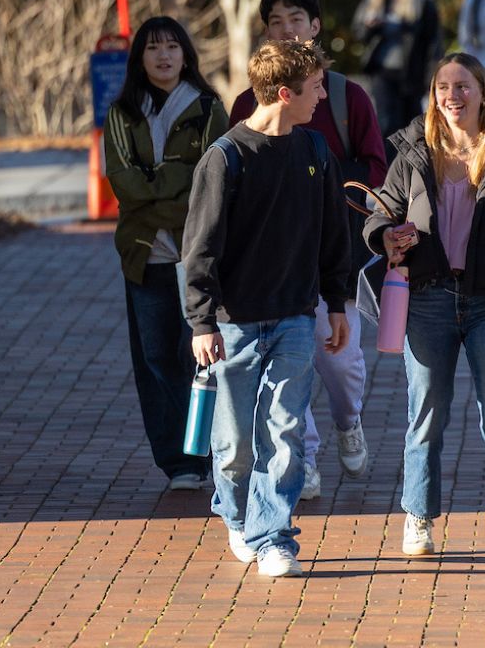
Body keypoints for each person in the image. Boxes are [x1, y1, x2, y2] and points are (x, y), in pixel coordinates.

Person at [363, 53, 485, 572]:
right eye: (443, 86)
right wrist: (386, 235)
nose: (452, 95)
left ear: (482, 93)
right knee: (426, 416)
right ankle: (418, 518)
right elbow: (382, 211)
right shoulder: (412, 152)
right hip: (428, 299)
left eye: (463, 86)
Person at [181, 39, 350, 577]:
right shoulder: (225, 158)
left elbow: (332, 234)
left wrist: (337, 303)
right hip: (233, 324)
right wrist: (201, 320)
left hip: (297, 316)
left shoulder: (315, 151)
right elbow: (200, 248)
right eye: (316, 87)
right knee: (232, 445)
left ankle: (274, 533)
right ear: (284, 93)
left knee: (284, 432)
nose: (323, 96)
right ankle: (235, 516)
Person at [228, 0, 388, 501]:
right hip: (274, 265)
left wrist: (320, 181)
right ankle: (305, 459)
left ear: (315, 26)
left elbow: (376, 169)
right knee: (289, 370)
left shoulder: (344, 96)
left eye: (295, 18)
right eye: (275, 22)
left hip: (332, 251)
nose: (287, 29)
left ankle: (348, 422)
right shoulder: (244, 106)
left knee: (340, 363)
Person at [104, 16, 228, 492]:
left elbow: (212, 180)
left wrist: (157, 183)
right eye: (153, 48)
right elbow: (125, 184)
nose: (163, 56)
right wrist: (174, 181)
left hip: (197, 254)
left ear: (185, 55)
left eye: (172, 47)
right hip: (145, 255)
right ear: (140, 57)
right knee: (156, 360)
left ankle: (211, 449)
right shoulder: (122, 113)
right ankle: (180, 462)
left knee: (201, 356)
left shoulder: (207, 108)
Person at [354, 0, 443, 148]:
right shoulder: (375, 1)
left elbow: (433, 43)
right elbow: (359, 34)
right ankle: (390, 172)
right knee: (387, 125)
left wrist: (433, 77)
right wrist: (371, 27)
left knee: (414, 128)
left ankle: (413, 172)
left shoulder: (422, 0)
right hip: (382, 73)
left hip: (412, 74)